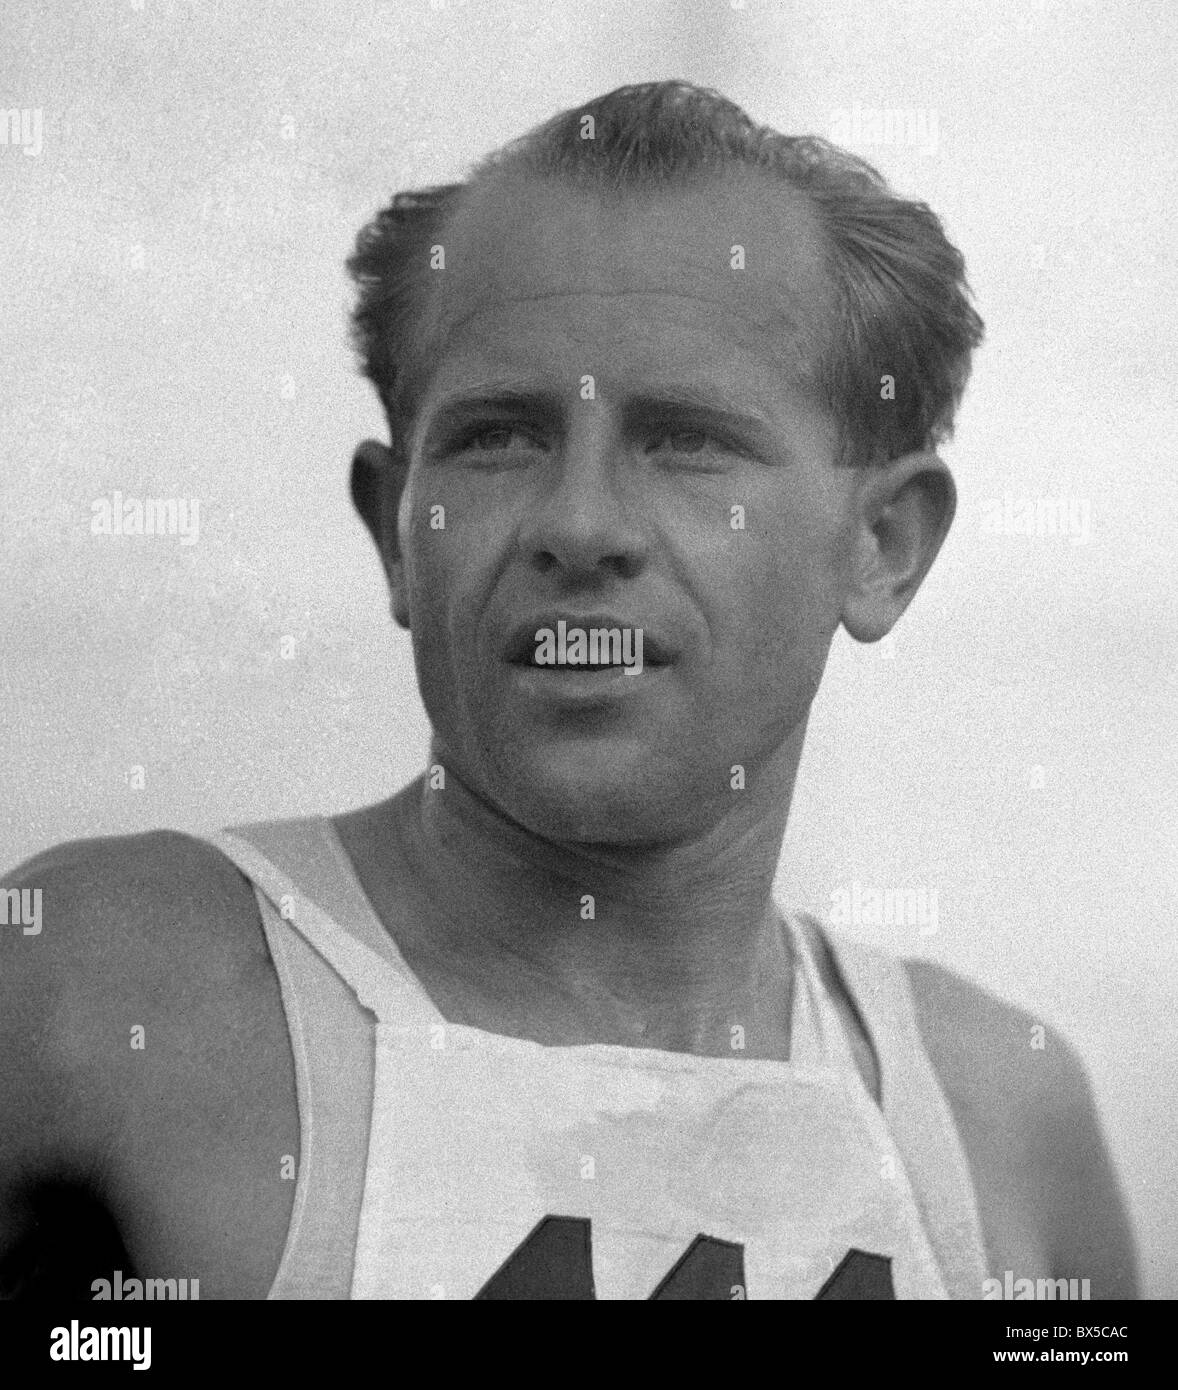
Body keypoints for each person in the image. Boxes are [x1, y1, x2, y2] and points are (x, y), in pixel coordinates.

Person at [0, 81, 1136, 1300]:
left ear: (882, 547)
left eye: (686, 438)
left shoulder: (1000, 1121)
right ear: (396, 527)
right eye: (498, 436)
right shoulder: (94, 990)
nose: (579, 524)